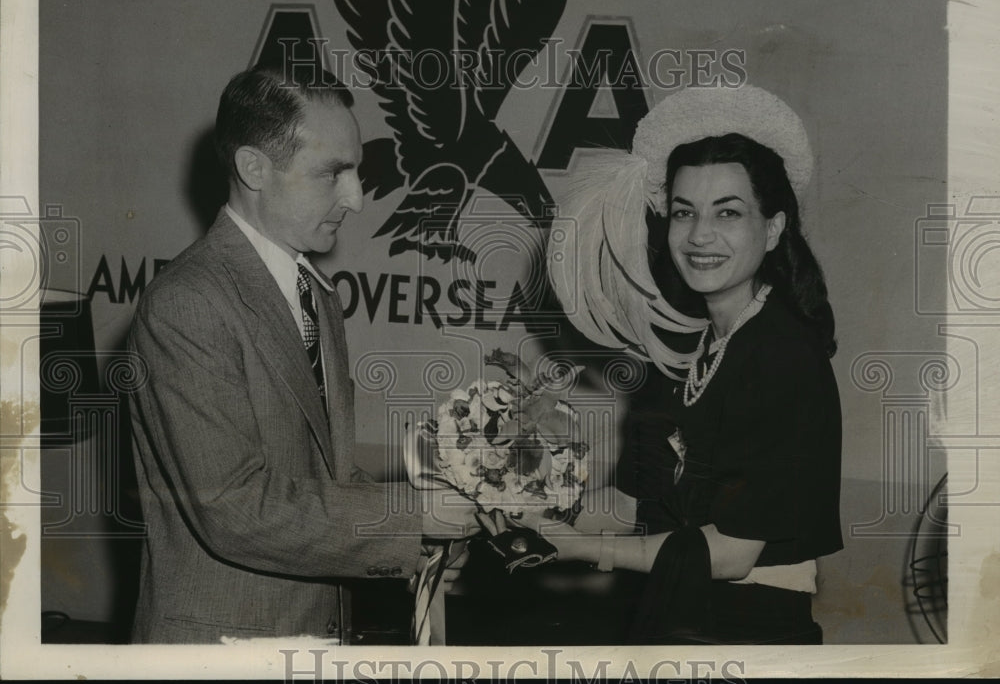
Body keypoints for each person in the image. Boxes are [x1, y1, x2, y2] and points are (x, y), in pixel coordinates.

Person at [127, 64, 475, 643]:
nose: (357, 198)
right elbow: (233, 505)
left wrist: (419, 538)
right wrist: (411, 519)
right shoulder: (188, 303)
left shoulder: (315, 293)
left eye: (356, 171)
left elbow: (323, 478)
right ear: (253, 167)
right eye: (332, 173)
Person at [545, 85, 843, 644]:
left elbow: (732, 552)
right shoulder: (685, 348)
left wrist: (579, 548)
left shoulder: (782, 357)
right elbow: (640, 506)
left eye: (727, 213)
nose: (700, 235)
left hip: (748, 635)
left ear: (774, 228)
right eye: (685, 213)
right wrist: (530, 503)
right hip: (675, 618)